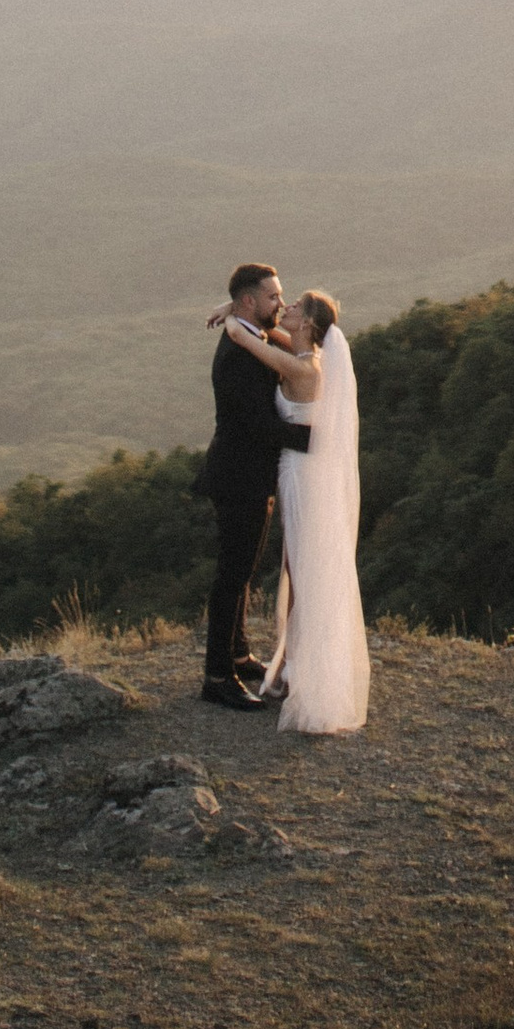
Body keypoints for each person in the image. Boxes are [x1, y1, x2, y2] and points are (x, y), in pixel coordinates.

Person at [216, 285, 369, 734]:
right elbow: (263, 335)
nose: (286, 308)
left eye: (295, 306)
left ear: (307, 324)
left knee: (303, 572)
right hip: (299, 472)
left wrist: (231, 313)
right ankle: (291, 666)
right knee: (297, 568)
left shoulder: (303, 371)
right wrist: (235, 307)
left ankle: (299, 672)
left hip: (302, 477)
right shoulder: (299, 355)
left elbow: (244, 338)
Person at [191, 262, 304, 707]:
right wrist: (316, 439)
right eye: (273, 297)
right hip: (238, 478)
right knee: (232, 577)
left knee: (241, 574)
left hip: (250, 476)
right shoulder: (239, 355)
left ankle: (237, 655)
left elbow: (282, 343)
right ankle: (217, 678)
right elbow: (259, 426)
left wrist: (232, 309)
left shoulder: (250, 334)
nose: (280, 301)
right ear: (250, 302)